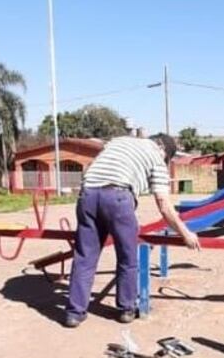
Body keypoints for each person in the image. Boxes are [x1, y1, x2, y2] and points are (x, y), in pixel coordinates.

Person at [63, 133, 200, 328]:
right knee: (127, 257)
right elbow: (164, 204)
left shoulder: (118, 141)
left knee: (84, 257)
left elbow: (95, 167)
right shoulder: (156, 158)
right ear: (165, 153)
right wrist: (186, 234)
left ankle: (74, 313)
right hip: (118, 198)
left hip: (87, 195)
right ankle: (126, 309)